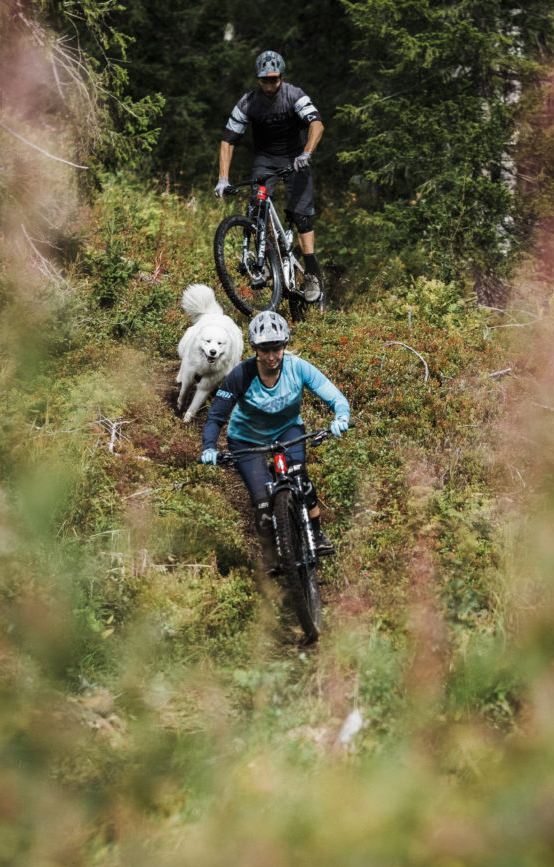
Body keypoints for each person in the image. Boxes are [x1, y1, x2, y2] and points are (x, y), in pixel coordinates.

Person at [200, 310, 350, 574]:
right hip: (246, 438)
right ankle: (271, 555)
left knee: (300, 477)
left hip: (287, 429)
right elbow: (216, 417)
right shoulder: (240, 375)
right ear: (255, 349)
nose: (271, 356)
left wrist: (341, 417)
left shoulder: (297, 367)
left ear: (285, 345)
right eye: (265, 349)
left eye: (277, 348)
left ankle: (316, 533)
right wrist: (209, 447)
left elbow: (334, 396)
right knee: (262, 506)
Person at [215, 49, 325, 304]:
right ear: (258, 79)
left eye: (273, 80)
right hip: (266, 160)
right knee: (257, 208)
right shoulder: (248, 102)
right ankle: (265, 259)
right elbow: (228, 140)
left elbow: (317, 124)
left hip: (296, 158)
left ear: (281, 78)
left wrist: (306, 153)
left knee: (300, 216)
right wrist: (223, 178)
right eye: (265, 80)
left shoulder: (294, 95)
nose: (269, 85)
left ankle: (311, 274)